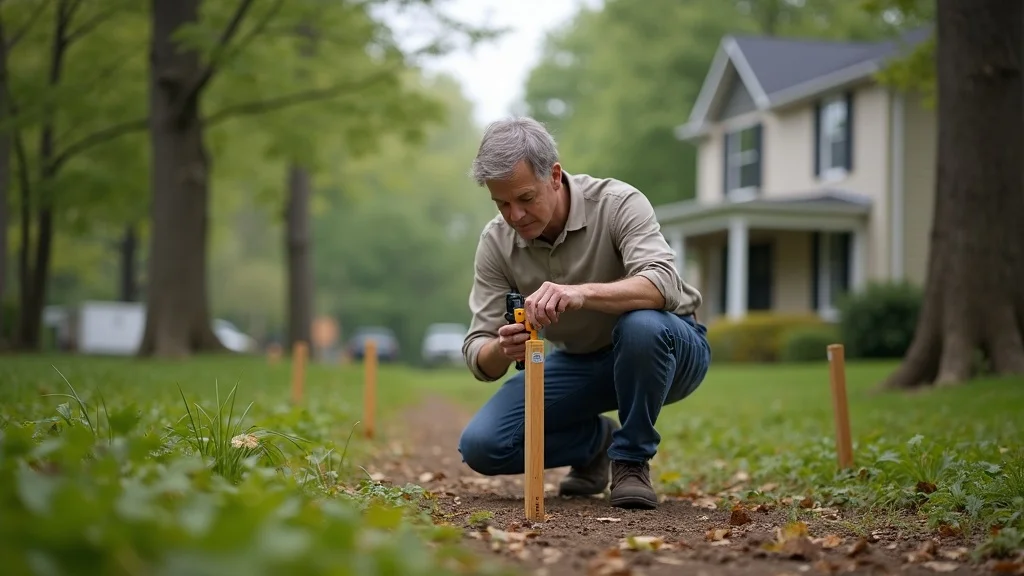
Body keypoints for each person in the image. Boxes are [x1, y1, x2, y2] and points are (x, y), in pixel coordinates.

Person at [458, 116, 711, 510]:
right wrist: (502, 350)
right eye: (502, 203)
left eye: (525, 198)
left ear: (554, 176)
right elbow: (478, 353)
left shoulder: (617, 203)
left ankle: (630, 461)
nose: (515, 215)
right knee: (483, 445)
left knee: (641, 325)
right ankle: (598, 444)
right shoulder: (495, 242)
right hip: (581, 362)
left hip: (671, 350)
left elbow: (664, 283)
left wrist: (581, 293)